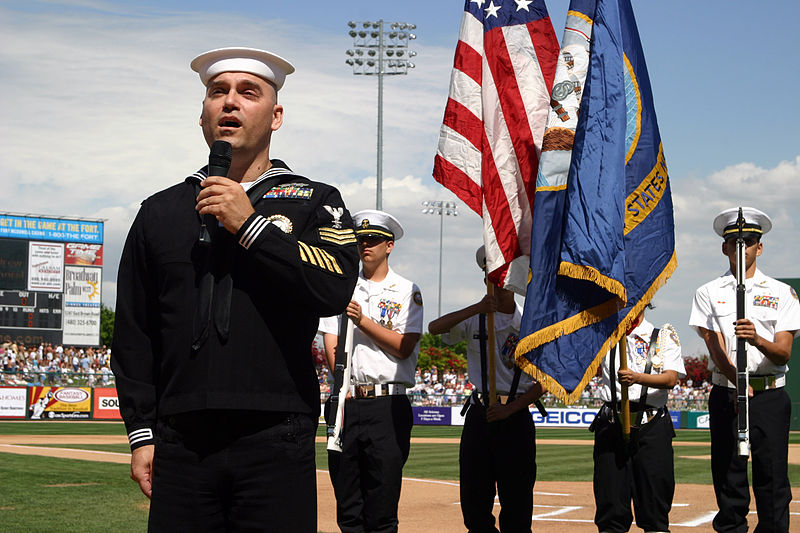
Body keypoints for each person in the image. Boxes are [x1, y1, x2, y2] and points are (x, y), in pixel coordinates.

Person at [111, 47, 359, 533]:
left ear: (276, 115)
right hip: (180, 439)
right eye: (217, 92)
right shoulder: (159, 212)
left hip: (276, 431)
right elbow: (134, 332)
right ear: (202, 114)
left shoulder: (315, 201)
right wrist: (142, 433)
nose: (230, 103)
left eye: (249, 92)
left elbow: (333, 288)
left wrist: (251, 226)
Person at [689, 207, 799, 533]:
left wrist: (757, 339)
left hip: (769, 395)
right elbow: (713, 343)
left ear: (759, 247)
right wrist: (738, 380)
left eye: (749, 241)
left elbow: (782, 354)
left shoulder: (782, 293)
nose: (742, 247)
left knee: (773, 479)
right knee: (729, 478)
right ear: (724, 247)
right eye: (735, 241)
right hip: (727, 393)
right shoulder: (707, 292)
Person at [428, 245, 545, 533]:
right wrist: (478, 308)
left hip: (515, 416)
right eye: (490, 275)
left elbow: (544, 381)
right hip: (480, 414)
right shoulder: (475, 318)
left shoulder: (531, 324)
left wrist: (510, 409)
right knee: (474, 501)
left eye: (503, 276)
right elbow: (435, 328)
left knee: (516, 503)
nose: (496, 282)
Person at [321, 209, 423, 533]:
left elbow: (404, 346)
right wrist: (342, 380)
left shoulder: (406, 290)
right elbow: (331, 341)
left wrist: (363, 321)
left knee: (381, 510)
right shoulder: (342, 286)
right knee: (348, 509)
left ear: (389, 245)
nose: (366, 245)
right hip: (347, 402)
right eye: (361, 239)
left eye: (374, 240)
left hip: (387, 405)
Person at [590, 305, 684, 533]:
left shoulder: (662, 335)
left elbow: (671, 378)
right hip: (612, 423)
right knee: (610, 507)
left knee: (654, 506)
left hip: (650, 425)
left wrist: (637, 377)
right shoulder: (605, 335)